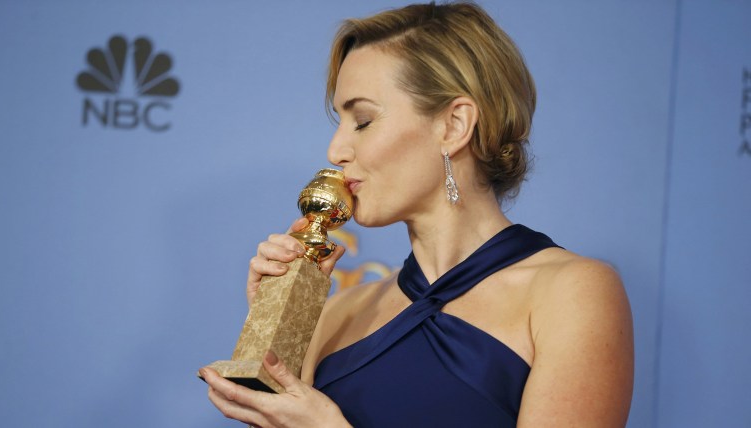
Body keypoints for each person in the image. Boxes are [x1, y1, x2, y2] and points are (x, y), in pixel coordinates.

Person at [199, 2, 634, 427]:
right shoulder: (339, 312)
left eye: (363, 120)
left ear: (453, 125)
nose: (335, 151)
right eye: (339, 121)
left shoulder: (572, 292)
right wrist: (278, 319)